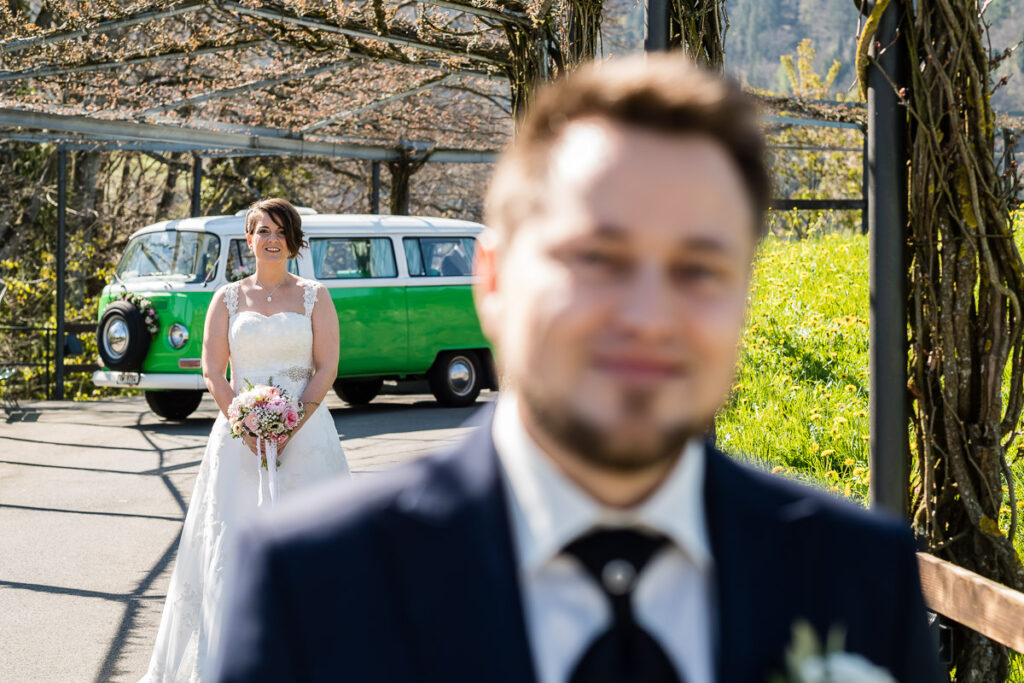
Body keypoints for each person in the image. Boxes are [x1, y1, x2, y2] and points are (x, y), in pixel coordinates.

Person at [215, 57, 939, 683]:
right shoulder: (315, 583)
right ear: (494, 281)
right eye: (597, 258)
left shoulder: (859, 577)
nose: (648, 316)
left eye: (699, 268)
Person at [142, 198, 350, 682]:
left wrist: (292, 422)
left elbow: (327, 367)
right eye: (263, 231)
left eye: (280, 231)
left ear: (293, 240)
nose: (272, 239)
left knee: (312, 543)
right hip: (238, 439)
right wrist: (244, 422)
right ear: (249, 239)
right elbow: (213, 371)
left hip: (307, 435)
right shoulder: (228, 298)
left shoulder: (315, 296)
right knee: (231, 543)